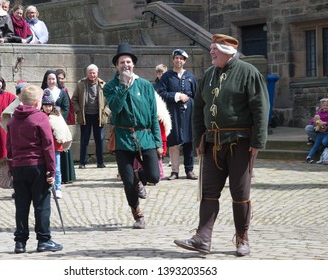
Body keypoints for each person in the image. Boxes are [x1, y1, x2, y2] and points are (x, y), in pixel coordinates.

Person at [174, 34, 270, 256]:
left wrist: (257, 142)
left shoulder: (248, 72)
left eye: (215, 49)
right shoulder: (208, 75)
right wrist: (199, 139)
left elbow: (260, 109)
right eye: (211, 49)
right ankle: (202, 239)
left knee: (240, 193)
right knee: (208, 192)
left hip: (240, 142)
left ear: (229, 51)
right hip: (212, 143)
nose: (211, 52)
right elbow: (198, 110)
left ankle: (242, 238)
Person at [103, 42, 162, 229]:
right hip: (123, 138)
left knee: (154, 176)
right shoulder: (110, 87)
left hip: (145, 136)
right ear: (116, 66)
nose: (125, 65)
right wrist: (124, 86)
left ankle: (139, 178)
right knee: (127, 182)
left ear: (133, 64)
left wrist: (158, 141)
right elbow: (116, 108)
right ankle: (137, 214)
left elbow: (153, 114)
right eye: (122, 62)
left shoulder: (145, 85)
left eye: (128, 62)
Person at [6, 84, 63, 254]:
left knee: (21, 205)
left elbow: (9, 147)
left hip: (18, 166)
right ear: (38, 102)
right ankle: (43, 240)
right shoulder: (40, 118)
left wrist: (11, 168)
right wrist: (52, 171)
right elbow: (47, 146)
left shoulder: (13, 119)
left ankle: (20, 242)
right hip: (37, 165)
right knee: (41, 204)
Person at [158, 49, 197, 180]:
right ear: (173, 60)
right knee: (174, 141)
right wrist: (177, 96)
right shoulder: (166, 76)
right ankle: (174, 171)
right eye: (176, 58)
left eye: (181, 58)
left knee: (188, 141)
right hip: (173, 112)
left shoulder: (190, 76)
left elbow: (195, 95)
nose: (178, 60)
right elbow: (162, 93)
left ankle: (189, 170)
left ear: (184, 61)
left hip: (188, 113)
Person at [72, 64, 110, 169]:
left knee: (100, 140)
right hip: (85, 116)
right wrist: (78, 111)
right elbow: (74, 99)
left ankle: (100, 162)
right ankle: (82, 163)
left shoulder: (103, 85)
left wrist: (106, 112)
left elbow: (110, 100)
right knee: (84, 140)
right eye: (90, 72)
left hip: (99, 116)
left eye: (94, 73)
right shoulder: (81, 84)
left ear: (97, 73)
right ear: (86, 73)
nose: (92, 75)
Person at [41, 70, 75, 183]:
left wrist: (58, 119)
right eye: (49, 79)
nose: (51, 81)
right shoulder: (43, 92)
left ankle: (63, 178)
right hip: (45, 124)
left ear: (56, 80)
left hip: (59, 123)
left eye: (53, 79)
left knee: (60, 152)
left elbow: (66, 108)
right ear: (46, 80)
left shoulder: (62, 92)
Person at [305, 98, 328, 164]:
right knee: (316, 145)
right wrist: (316, 123)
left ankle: (325, 150)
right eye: (324, 105)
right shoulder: (319, 113)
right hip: (320, 133)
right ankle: (308, 157)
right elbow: (313, 120)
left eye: (327, 105)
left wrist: (324, 123)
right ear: (321, 106)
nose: (325, 107)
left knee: (325, 142)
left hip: (327, 132)